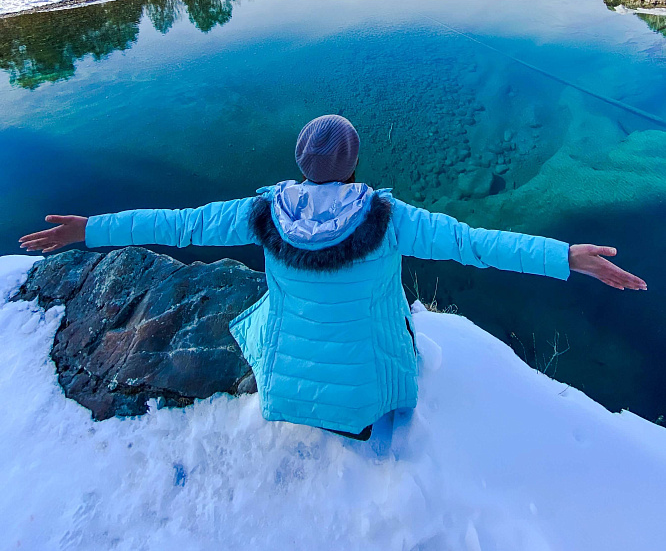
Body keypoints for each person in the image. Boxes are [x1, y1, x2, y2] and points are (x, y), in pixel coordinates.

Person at [20, 114, 646, 441]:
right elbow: (476, 244)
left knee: (274, 311)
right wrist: (566, 256)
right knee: (393, 330)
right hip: (368, 395)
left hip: (285, 389)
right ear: (352, 167)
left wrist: (91, 229)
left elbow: (180, 224)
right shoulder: (389, 217)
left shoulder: (263, 212)